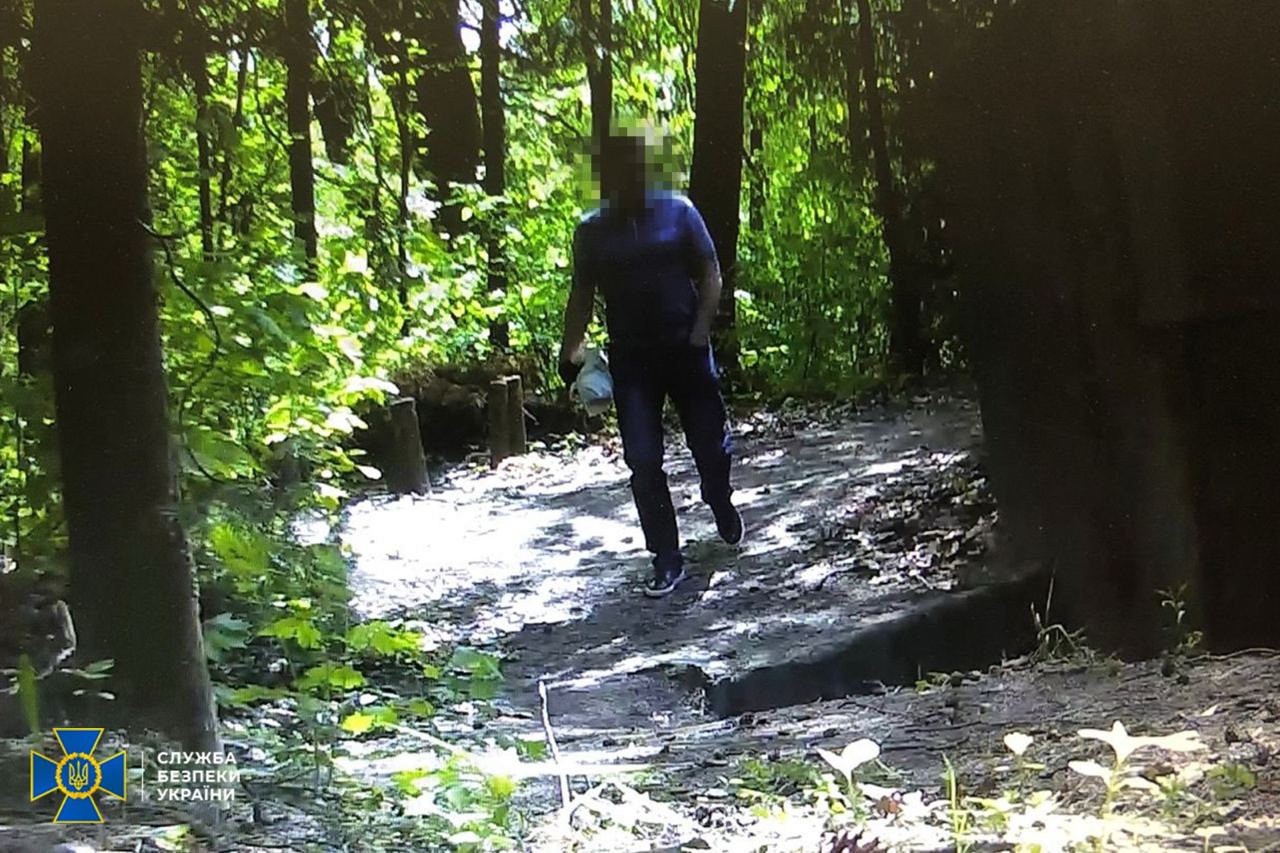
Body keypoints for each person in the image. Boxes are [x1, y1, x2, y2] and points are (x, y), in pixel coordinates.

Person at [559, 132, 743, 598]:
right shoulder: (592, 231)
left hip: (686, 350)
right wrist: (570, 351)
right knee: (643, 460)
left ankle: (718, 496)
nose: (630, 176)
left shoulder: (679, 212)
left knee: (711, 446)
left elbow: (710, 272)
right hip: (632, 361)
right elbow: (581, 295)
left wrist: (701, 330)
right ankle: (665, 557)